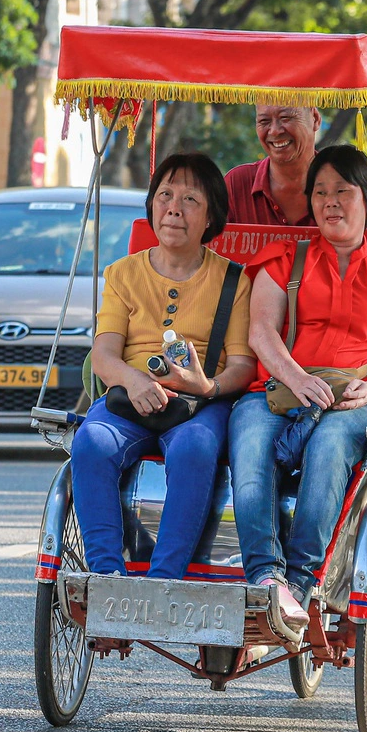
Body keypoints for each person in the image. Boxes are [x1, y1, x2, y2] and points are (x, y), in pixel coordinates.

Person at [229, 144, 367, 638]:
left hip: (354, 399)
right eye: (320, 192)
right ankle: (266, 576)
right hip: (277, 389)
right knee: (249, 445)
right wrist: (297, 378)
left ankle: (301, 580)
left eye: (342, 191)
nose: (330, 201)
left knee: (332, 444)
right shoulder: (285, 256)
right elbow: (261, 332)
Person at [75, 153, 256, 579]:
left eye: (190, 199)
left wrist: (205, 385)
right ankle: (105, 574)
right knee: (90, 443)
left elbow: (244, 365)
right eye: (165, 196)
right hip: (127, 398)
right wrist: (134, 380)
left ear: (211, 216)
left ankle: (164, 578)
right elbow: (103, 355)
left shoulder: (234, 280)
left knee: (195, 449)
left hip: (198, 405)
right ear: (152, 206)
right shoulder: (122, 274)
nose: (174, 208)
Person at [224, 102, 320, 225]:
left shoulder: (342, 186)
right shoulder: (237, 185)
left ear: (315, 118)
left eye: (285, 118)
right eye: (264, 121)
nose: (274, 131)